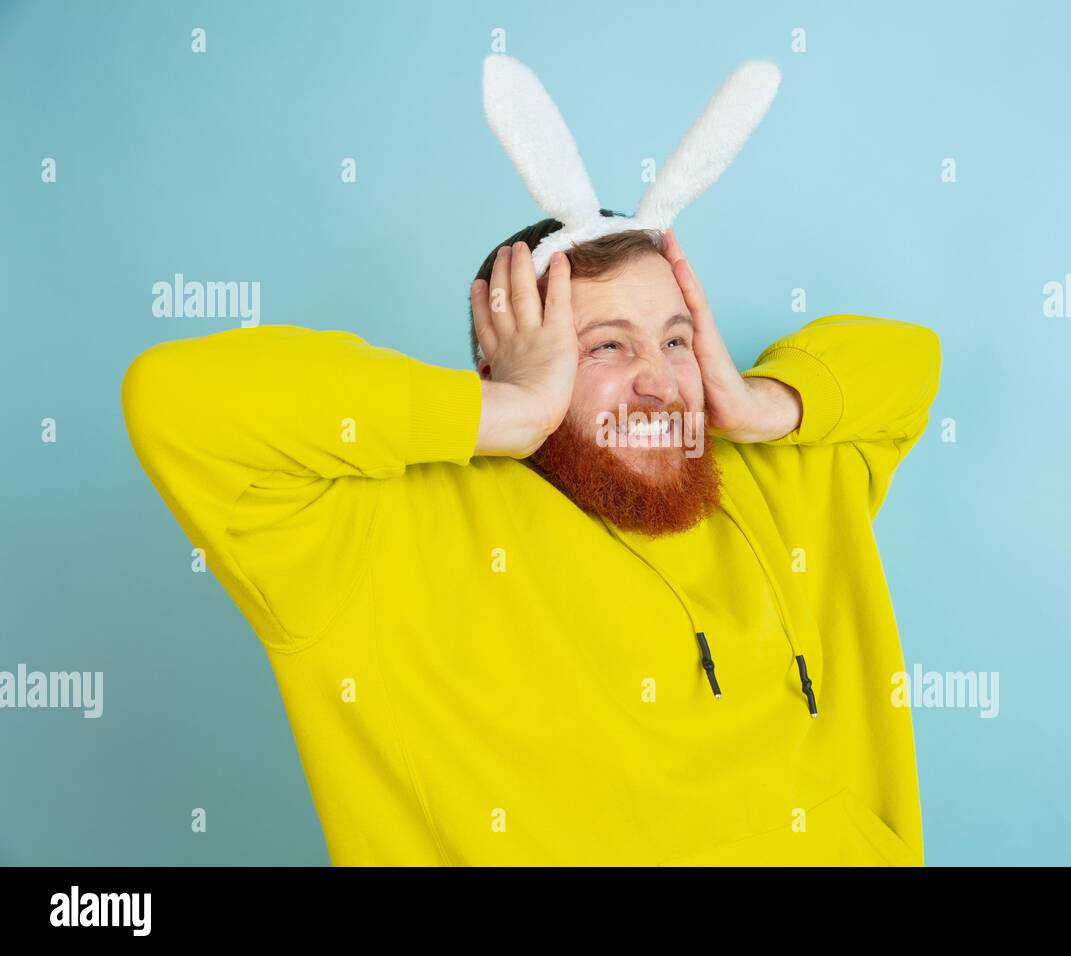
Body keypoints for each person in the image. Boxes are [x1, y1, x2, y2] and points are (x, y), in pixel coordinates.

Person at [121, 220, 942, 866]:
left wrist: (760, 400)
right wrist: (506, 415)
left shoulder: (778, 480)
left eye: (677, 339)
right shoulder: (383, 537)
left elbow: (911, 360)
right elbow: (174, 399)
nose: (659, 380)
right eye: (607, 346)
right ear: (518, 369)